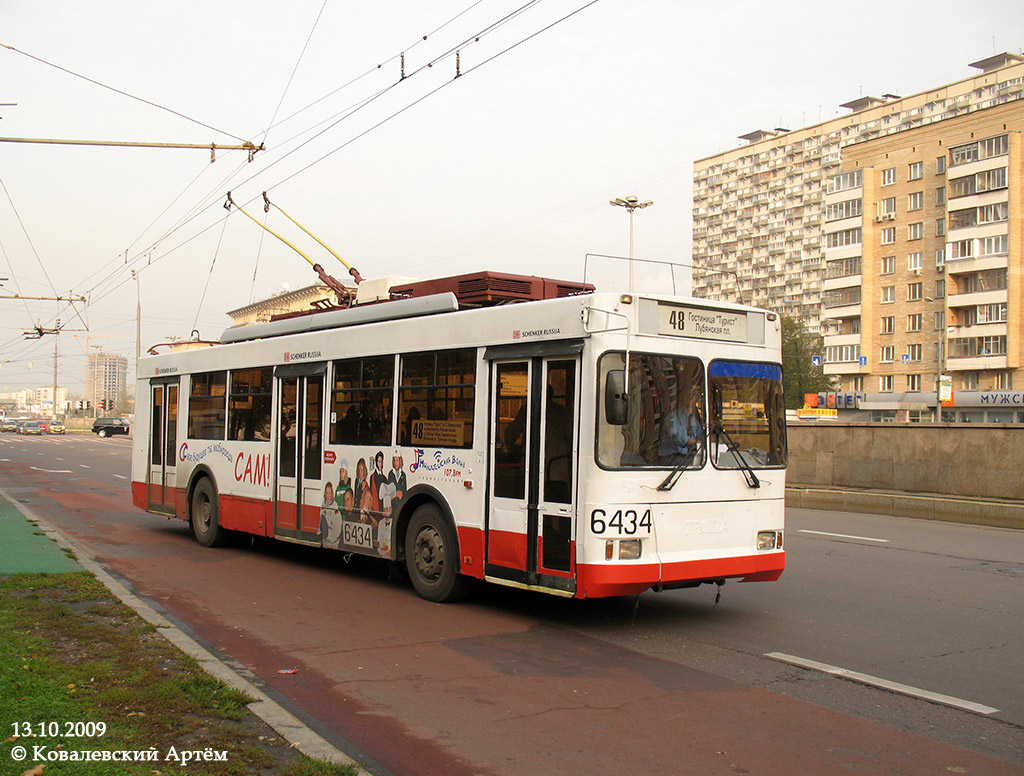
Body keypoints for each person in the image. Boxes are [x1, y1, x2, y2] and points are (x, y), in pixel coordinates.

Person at [658, 390, 703, 466]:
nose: (693, 400)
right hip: (671, 457)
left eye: (694, 397)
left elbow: (700, 436)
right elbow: (679, 438)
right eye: (690, 397)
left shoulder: (693, 419)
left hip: (687, 456)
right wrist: (697, 442)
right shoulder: (672, 417)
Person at [317, 482, 343, 550]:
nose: (328, 495)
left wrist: (330, 538)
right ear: (325, 494)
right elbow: (321, 520)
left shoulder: (335, 509)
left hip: (333, 542)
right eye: (327, 493)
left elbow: (337, 529)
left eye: (330, 493)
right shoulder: (323, 505)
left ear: (332, 494)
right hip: (324, 540)